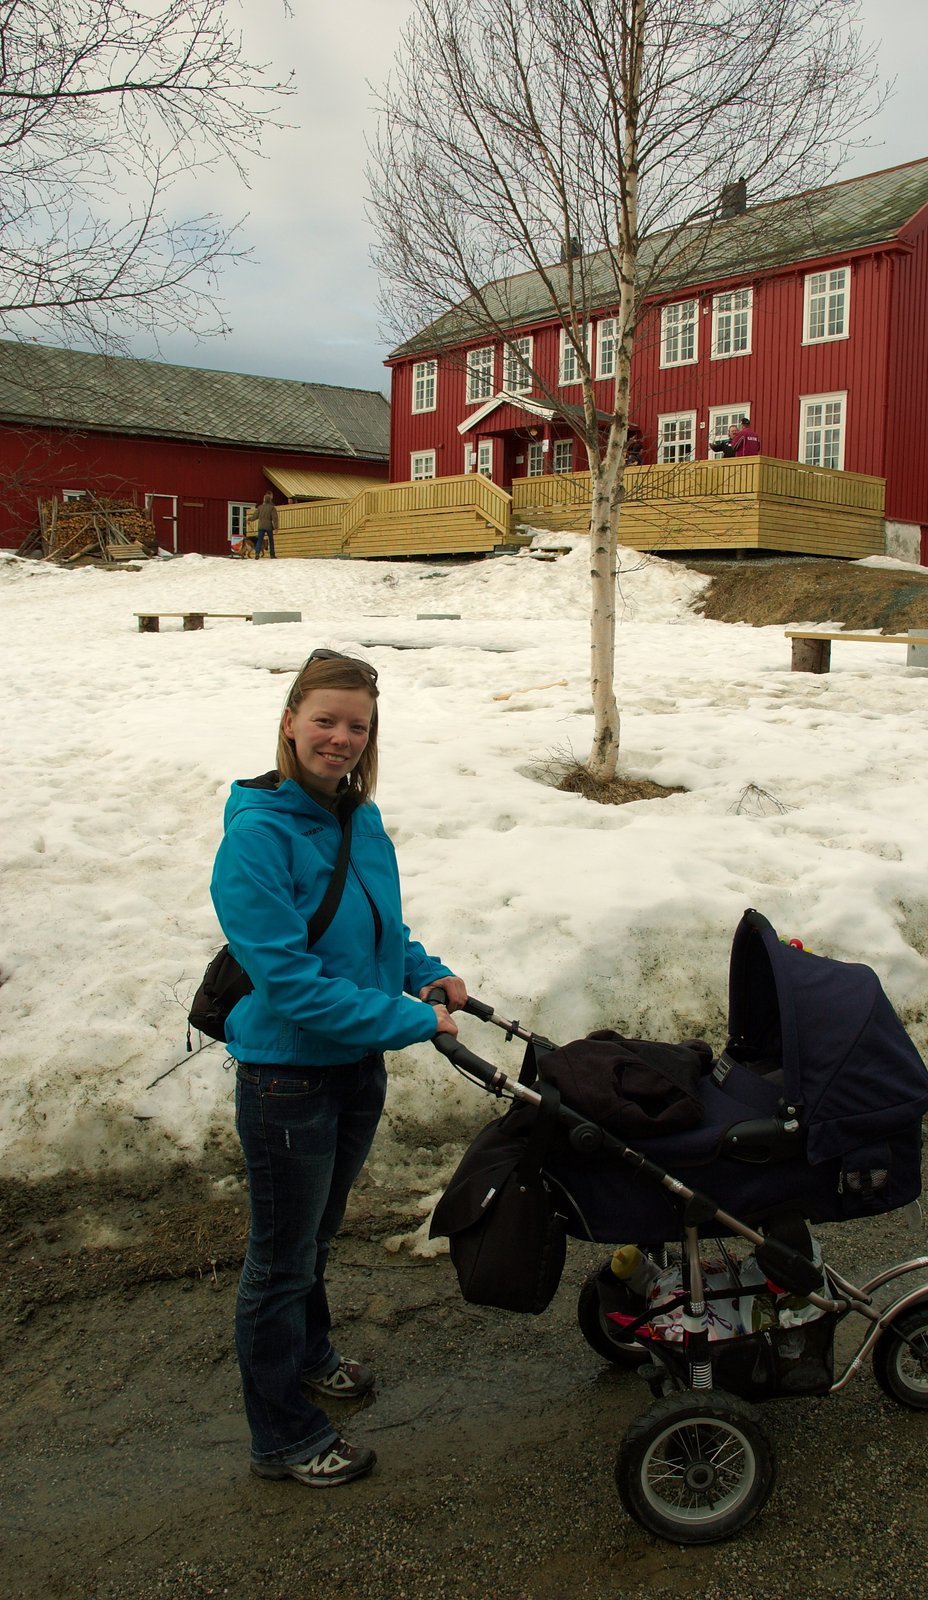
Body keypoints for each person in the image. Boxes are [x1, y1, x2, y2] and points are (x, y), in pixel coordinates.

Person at [210, 648, 467, 1488]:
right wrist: (408, 1019)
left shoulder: (361, 817)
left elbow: (376, 931)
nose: (341, 738)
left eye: (357, 725)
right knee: (280, 1260)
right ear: (290, 722)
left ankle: (310, 1353)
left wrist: (423, 973)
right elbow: (289, 982)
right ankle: (282, 1437)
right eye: (324, 720)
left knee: (315, 1237)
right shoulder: (257, 837)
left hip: (356, 1065)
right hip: (288, 1076)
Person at [254, 491, 278, 559]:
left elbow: (255, 516)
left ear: (264, 500)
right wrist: (276, 527)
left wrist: (249, 519)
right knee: (271, 541)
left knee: (259, 540)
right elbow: (275, 518)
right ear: (270, 500)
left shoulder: (260, 507)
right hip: (268, 526)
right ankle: (272, 555)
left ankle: (257, 553)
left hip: (261, 526)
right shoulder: (272, 508)